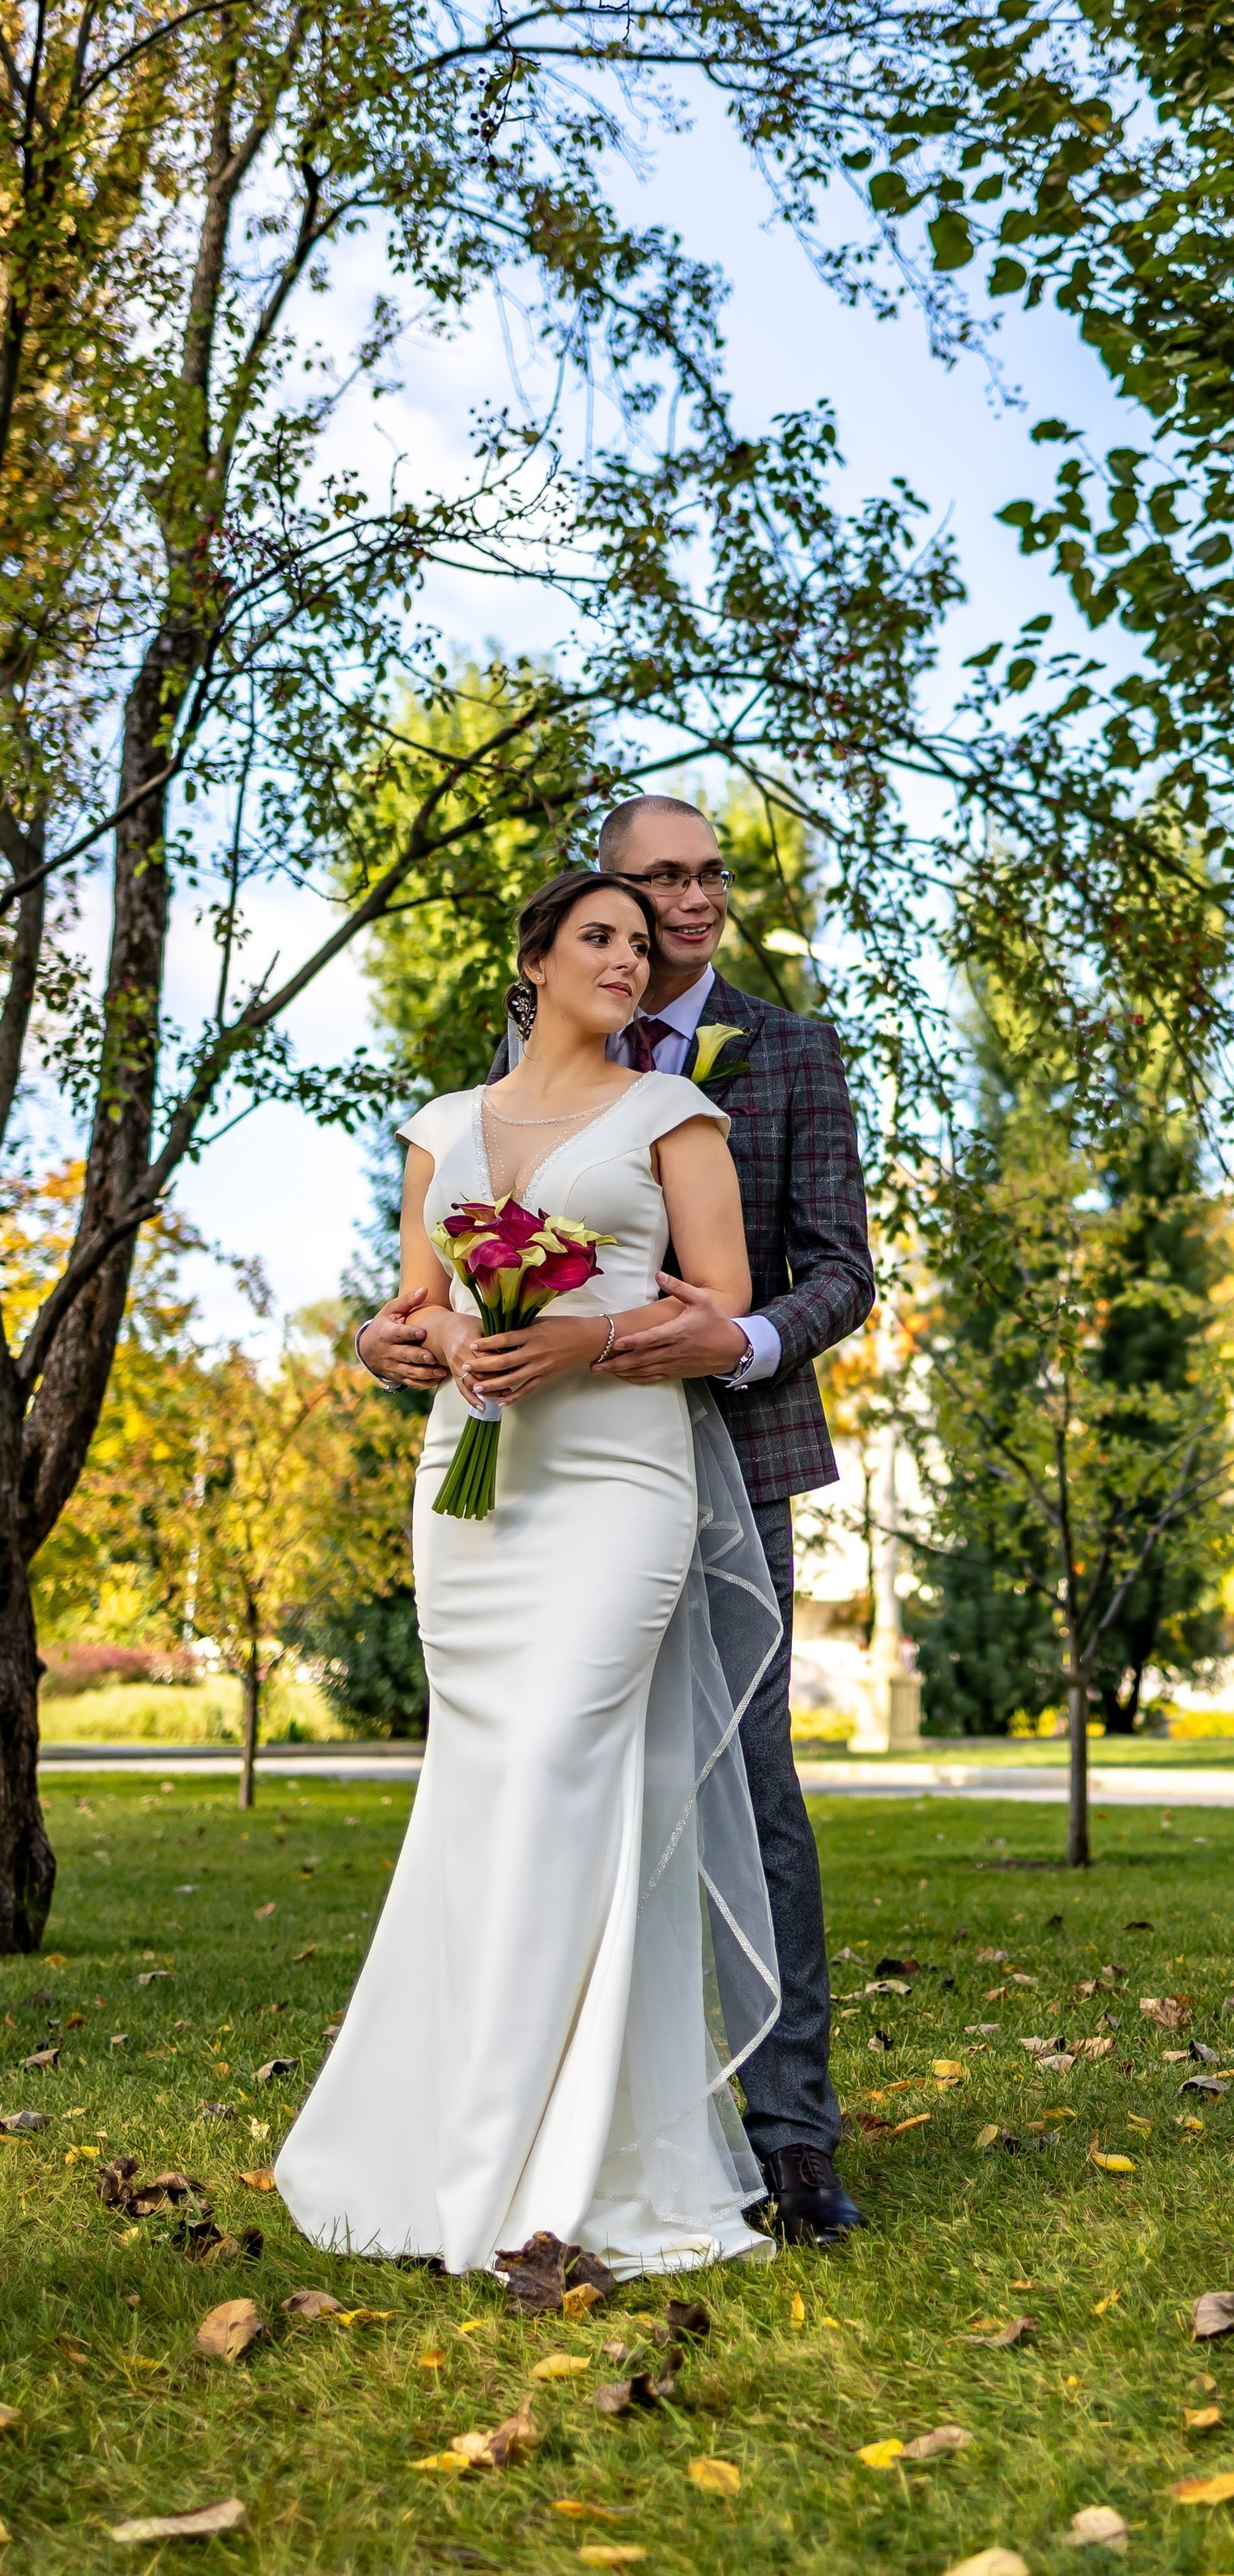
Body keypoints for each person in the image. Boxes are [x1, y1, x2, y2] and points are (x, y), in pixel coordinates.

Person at [353, 798, 875, 2246]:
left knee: (740, 1785)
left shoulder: (785, 1054)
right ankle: (517, 2109)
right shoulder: (517, 1076)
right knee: (525, 1778)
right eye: (656, 882)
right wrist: (397, 1337)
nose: (687, 905)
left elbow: (837, 1271)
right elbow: (446, 1266)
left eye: (705, 879)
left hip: (713, 1461)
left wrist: (743, 1344)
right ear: (574, 923)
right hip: (512, 1476)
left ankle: (790, 2136)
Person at [279, 870, 786, 2275]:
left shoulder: (675, 1118)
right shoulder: (444, 1129)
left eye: (643, 942)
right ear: (536, 961)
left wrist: (588, 1340)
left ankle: (550, 2176)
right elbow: (414, 1313)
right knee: (486, 1787)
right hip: (472, 1493)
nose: (633, 958)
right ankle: (446, 2140)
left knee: (569, 1760)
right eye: (601, 939)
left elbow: (722, 1307)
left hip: (621, 1479)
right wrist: (420, 1347)